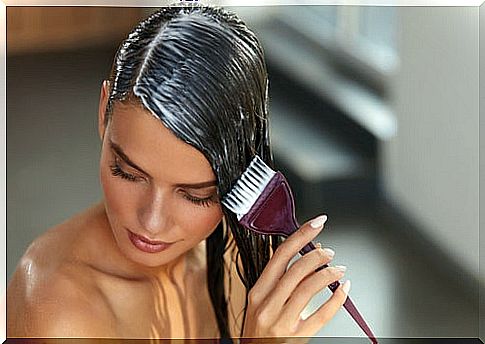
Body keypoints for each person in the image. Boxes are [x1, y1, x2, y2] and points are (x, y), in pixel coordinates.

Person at [7, 5, 350, 339]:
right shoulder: (57, 314)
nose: (152, 223)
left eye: (196, 195)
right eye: (127, 172)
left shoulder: (235, 250)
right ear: (103, 111)